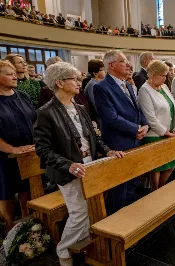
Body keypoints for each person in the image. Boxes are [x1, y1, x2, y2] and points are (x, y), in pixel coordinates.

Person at [33, 62, 124, 266]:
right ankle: (64, 251)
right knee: (79, 212)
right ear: (59, 83)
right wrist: (68, 165)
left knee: (89, 209)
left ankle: (81, 245)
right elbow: (43, 150)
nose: (78, 82)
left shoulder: (80, 107)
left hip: (89, 164)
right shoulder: (46, 112)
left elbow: (92, 136)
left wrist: (107, 150)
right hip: (67, 170)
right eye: (73, 79)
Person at [94, 50, 149, 214]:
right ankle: (115, 225)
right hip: (118, 143)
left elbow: (138, 109)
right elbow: (111, 117)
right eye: (123, 61)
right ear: (111, 65)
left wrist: (144, 125)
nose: (128, 64)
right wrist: (135, 129)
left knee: (133, 184)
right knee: (120, 189)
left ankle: (129, 220)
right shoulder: (102, 88)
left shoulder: (126, 84)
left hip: (135, 140)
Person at [0, 60, 34, 232]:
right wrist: (12, 149)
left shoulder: (22, 96)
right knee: (5, 191)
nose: (14, 76)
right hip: (5, 156)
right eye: (8, 73)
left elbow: (35, 121)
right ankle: (9, 228)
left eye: (14, 73)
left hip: (27, 152)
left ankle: (28, 226)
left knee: (26, 187)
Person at [138, 60, 175, 190]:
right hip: (154, 135)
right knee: (156, 168)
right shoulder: (145, 90)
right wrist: (164, 131)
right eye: (162, 75)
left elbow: (172, 108)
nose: (165, 78)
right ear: (152, 74)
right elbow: (150, 117)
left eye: (165, 75)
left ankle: (160, 189)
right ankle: (156, 192)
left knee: (171, 165)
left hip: (169, 133)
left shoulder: (164, 87)